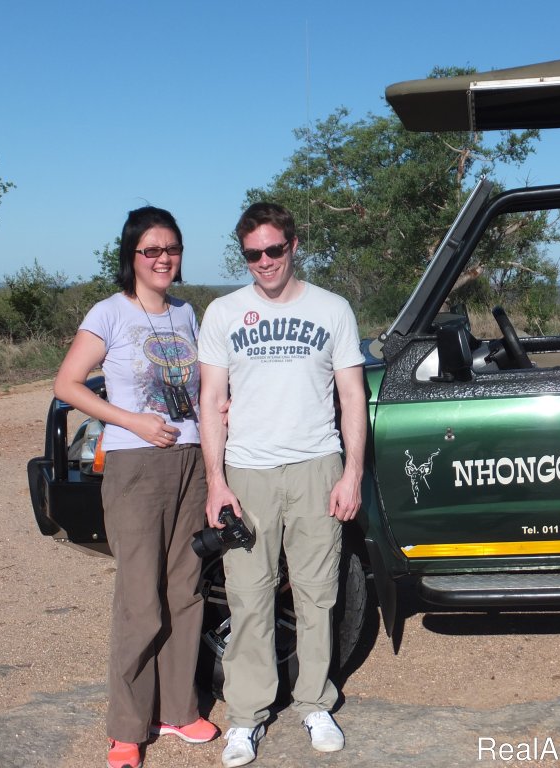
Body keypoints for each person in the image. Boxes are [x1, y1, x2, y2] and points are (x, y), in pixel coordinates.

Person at [197, 202, 366, 768]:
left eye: (273, 250)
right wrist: (216, 483)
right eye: (252, 254)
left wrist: (351, 473)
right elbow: (212, 402)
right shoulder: (223, 312)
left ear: (293, 246)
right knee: (248, 597)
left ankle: (316, 703)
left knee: (319, 595)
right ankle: (245, 717)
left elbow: (351, 398)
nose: (264, 262)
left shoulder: (331, 309)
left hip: (317, 466)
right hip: (247, 472)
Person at [54, 206, 219, 768]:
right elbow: (68, 384)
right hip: (136, 464)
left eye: (171, 248)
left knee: (185, 588)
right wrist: (132, 421)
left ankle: (177, 709)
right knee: (139, 600)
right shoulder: (109, 313)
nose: (163, 259)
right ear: (131, 257)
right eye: (151, 250)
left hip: (192, 461)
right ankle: (127, 725)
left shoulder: (186, 313)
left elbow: (200, 388)